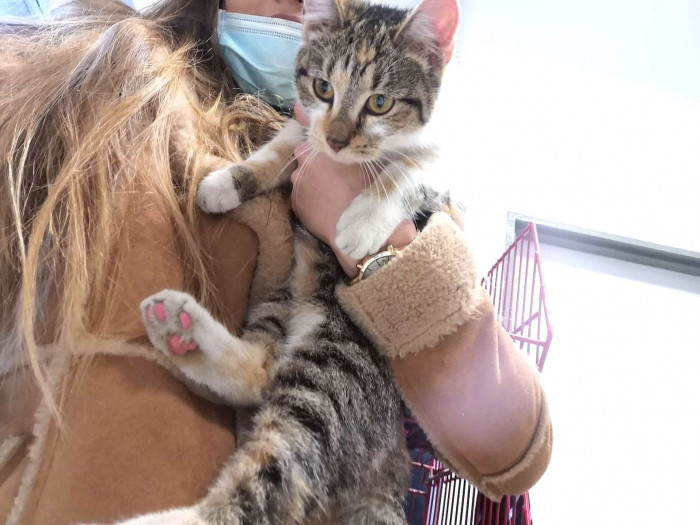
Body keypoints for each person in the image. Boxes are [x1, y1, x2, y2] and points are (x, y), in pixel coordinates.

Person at [0, 1, 552, 523]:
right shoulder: (92, 66)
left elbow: (518, 449)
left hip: (325, 439)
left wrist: (384, 252)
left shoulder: (403, 183)